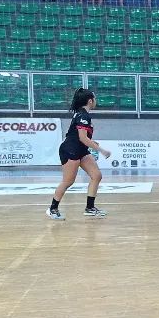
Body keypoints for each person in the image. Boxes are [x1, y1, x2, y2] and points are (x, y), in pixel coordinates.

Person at [48, 89, 111, 220]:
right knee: (68, 181)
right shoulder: (83, 116)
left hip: (80, 150)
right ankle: (53, 209)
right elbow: (82, 138)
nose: (96, 100)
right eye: (95, 98)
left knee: (96, 175)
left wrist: (91, 141)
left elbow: (79, 136)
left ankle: (90, 208)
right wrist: (102, 150)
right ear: (90, 101)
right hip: (70, 150)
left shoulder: (82, 115)